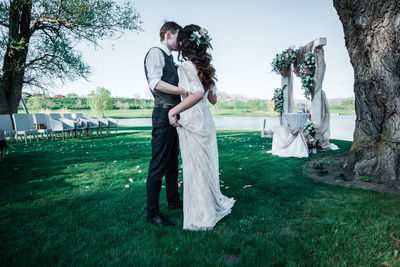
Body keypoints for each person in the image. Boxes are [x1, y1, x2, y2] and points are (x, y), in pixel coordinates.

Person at [168, 24, 235, 230]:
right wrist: (210, 82)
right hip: (205, 118)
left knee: (195, 167)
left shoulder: (186, 67)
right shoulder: (206, 69)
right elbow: (212, 99)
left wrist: (173, 111)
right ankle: (208, 207)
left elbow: (196, 94)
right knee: (203, 166)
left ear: (184, 43)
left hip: (191, 119)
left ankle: (202, 216)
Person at [144, 21, 188, 227]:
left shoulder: (171, 58)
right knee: (159, 164)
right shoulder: (156, 52)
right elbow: (155, 82)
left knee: (172, 163)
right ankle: (152, 214)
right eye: (177, 37)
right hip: (162, 113)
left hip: (172, 114)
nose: (179, 42)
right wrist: (182, 92)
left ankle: (174, 201)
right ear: (167, 34)